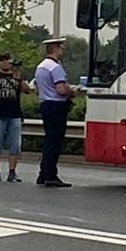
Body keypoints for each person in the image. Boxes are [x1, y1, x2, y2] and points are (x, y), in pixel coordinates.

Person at [34, 37, 77, 187]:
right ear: (56, 49)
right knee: (55, 142)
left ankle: (43, 174)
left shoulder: (40, 67)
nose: (62, 51)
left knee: (49, 141)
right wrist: (72, 92)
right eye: (61, 48)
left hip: (45, 104)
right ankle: (51, 175)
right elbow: (60, 89)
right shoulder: (55, 67)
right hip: (57, 106)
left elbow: (37, 89)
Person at [0, 52, 30, 182]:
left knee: (15, 145)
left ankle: (12, 171)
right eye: (2, 60)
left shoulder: (16, 77)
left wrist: (19, 79)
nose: (5, 62)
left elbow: (27, 90)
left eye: (7, 60)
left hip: (14, 115)